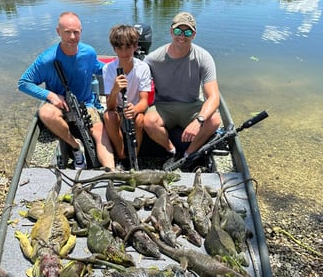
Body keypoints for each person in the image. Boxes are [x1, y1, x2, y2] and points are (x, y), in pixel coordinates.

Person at [18, 11, 115, 170]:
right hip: (60, 106)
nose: (72, 37)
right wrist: (50, 95)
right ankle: (75, 147)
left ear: (81, 32)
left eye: (76, 32)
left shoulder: (88, 53)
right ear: (58, 32)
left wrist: (125, 68)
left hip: (86, 105)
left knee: (100, 133)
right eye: (67, 32)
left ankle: (111, 172)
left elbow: (101, 69)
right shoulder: (47, 59)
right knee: (45, 113)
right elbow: (23, 83)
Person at [143, 11, 221, 165]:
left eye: (188, 32)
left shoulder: (203, 57)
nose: (182, 36)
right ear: (171, 31)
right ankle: (171, 150)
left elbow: (214, 97)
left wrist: (199, 121)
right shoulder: (153, 58)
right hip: (164, 106)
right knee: (149, 121)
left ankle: (188, 154)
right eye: (178, 31)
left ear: (194, 34)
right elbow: (138, 80)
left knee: (214, 120)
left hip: (191, 106)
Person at [102, 24, 152, 166]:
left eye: (128, 47)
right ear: (114, 49)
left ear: (135, 46)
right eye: (120, 48)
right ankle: (122, 153)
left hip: (134, 107)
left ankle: (134, 155)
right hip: (118, 108)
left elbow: (144, 101)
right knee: (108, 117)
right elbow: (110, 106)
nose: (124, 52)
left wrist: (134, 109)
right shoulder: (108, 69)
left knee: (139, 119)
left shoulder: (143, 68)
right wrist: (115, 90)